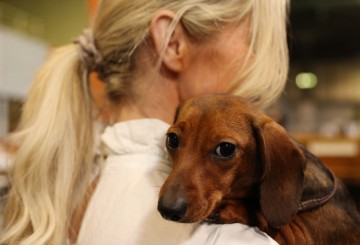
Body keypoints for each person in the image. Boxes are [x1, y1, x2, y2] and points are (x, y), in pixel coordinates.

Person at [0, 0, 289, 244]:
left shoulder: (79, 187)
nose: (254, 58)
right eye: (251, 39)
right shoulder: (226, 236)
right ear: (172, 43)